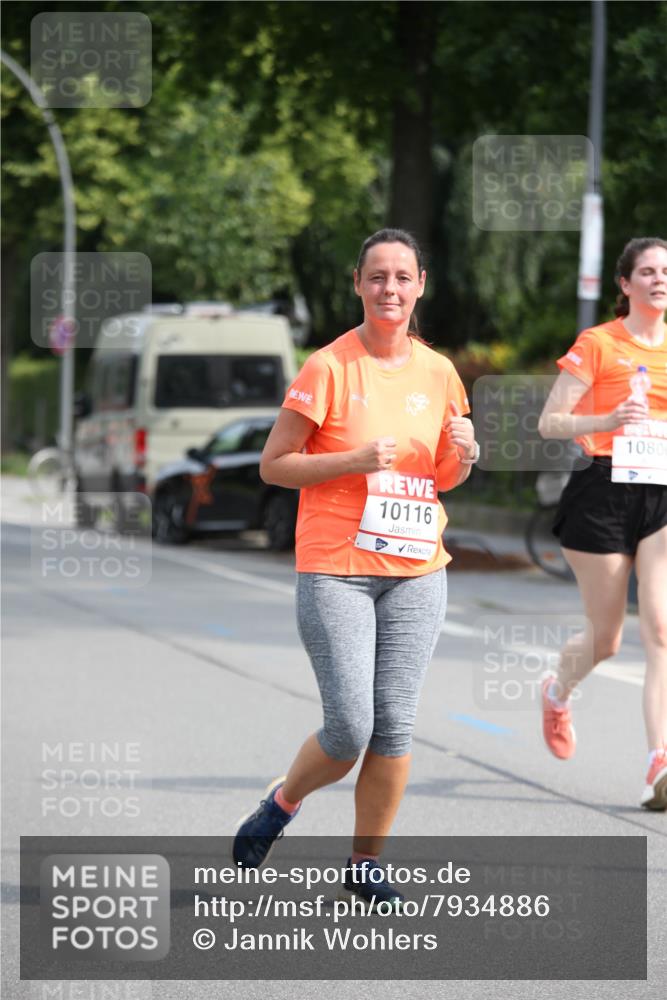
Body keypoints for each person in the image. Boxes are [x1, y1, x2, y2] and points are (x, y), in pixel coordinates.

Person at [232, 228, 478, 906]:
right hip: (336, 565)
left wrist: (466, 448)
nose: (389, 289)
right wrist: (350, 459)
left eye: (402, 277)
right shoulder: (328, 367)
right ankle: (282, 803)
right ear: (357, 283)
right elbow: (273, 464)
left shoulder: (439, 372)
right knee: (350, 726)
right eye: (377, 277)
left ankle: (365, 861)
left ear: (419, 284)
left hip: (417, 569)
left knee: (395, 723)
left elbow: (442, 477)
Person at [538, 237, 667, 810]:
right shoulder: (599, 344)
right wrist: (610, 417)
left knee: (662, 631)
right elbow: (551, 423)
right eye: (647, 270)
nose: (659, 279)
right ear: (625, 284)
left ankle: (659, 762)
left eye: (666, 271)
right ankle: (557, 690)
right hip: (604, 491)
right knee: (608, 637)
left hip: (662, 492)